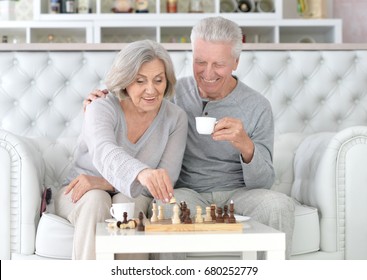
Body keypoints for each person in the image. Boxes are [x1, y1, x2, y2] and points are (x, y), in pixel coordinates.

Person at [85, 17, 295, 259]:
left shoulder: (258, 106)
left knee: (280, 205)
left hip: (240, 194)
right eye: (200, 62)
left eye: (219, 64)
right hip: (186, 192)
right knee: (165, 205)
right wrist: (98, 103)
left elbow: (264, 181)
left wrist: (246, 146)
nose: (207, 73)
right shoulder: (170, 94)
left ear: (236, 62)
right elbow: (133, 100)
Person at [55, 39, 188, 260]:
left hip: (129, 193)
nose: (151, 90)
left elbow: (164, 182)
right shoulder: (101, 106)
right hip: (78, 191)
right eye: (140, 81)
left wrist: (103, 182)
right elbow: (104, 151)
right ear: (125, 81)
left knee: (129, 202)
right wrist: (142, 174)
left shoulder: (175, 118)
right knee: (96, 199)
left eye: (158, 80)